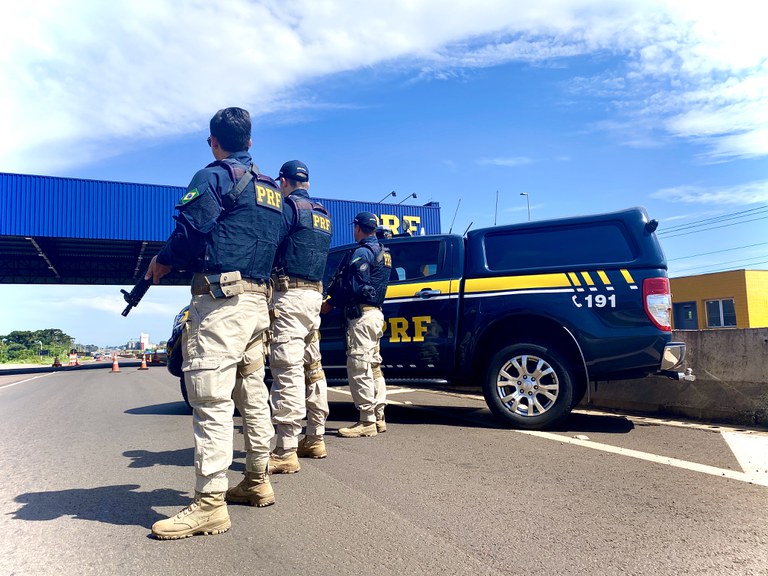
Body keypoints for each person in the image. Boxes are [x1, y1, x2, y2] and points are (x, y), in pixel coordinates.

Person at [144, 107, 285, 540]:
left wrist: (162, 263)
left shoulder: (213, 177)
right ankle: (257, 480)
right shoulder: (271, 190)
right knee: (253, 393)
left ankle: (209, 504)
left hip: (221, 304)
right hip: (258, 302)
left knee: (212, 402)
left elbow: (189, 233)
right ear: (251, 141)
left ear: (213, 141)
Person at [268, 160, 333, 474]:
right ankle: (316, 437)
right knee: (313, 367)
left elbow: (270, 246)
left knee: (287, 369)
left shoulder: (288, 208)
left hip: (289, 296)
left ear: (283, 181)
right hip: (313, 297)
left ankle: (285, 449)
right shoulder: (322, 214)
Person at [322, 212, 391, 437]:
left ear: (358, 228)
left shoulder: (362, 251)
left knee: (359, 366)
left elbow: (354, 287)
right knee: (373, 366)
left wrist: (331, 302)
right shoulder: (384, 252)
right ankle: (379, 417)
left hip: (362, 316)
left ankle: (366, 421)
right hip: (376, 314)